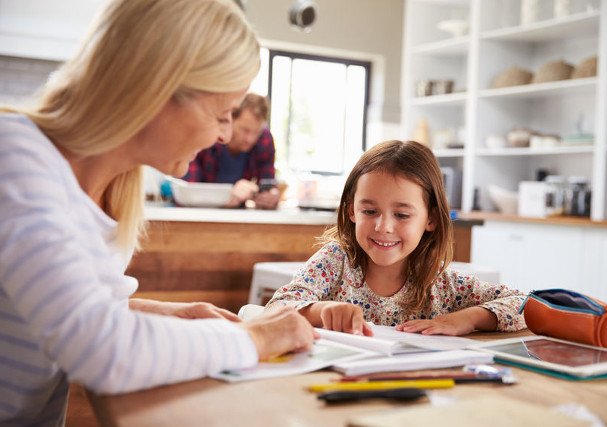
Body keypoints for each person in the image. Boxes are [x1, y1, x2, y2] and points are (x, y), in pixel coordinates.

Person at [0, 0, 316, 424]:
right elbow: (100, 347)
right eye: (222, 114)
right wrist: (255, 338)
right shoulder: (15, 158)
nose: (224, 135)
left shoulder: (110, 186)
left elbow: (72, 306)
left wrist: (175, 314)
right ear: (156, 89)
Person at [266, 140, 526, 336]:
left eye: (401, 215)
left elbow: (526, 305)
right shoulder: (336, 262)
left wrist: (467, 319)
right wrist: (321, 311)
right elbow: (277, 307)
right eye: (369, 211)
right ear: (351, 210)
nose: (383, 226)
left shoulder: (441, 283)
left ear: (430, 219)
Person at [183, 93, 281, 209]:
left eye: (256, 132)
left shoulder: (264, 140)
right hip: (201, 216)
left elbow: (268, 183)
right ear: (230, 119)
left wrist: (270, 197)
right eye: (245, 130)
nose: (250, 139)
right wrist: (225, 196)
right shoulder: (207, 137)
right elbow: (187, 192)